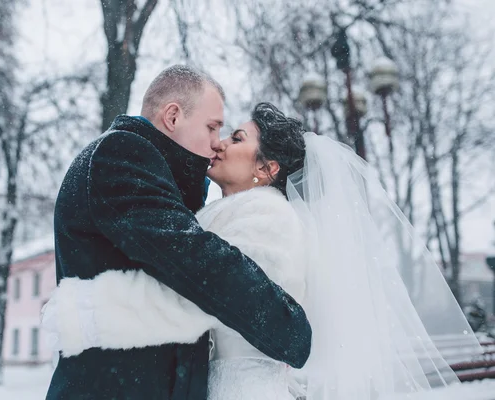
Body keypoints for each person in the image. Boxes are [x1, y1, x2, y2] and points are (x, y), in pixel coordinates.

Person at [43, 102, 483, 400]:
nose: (218, 143)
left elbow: (202, 297)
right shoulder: (235, 212)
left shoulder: (268, 219)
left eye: (234, 137)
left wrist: (86, 313)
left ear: (266, 168)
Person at [44, 66, 312, 400]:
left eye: (229, 134)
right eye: (212, 127)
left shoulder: (179, 183)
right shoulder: (123, 153)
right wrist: (287, 327)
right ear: (173, 116)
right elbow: (195, 260)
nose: (217, 143)